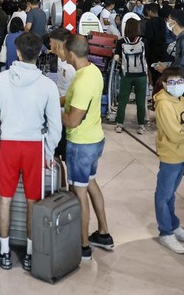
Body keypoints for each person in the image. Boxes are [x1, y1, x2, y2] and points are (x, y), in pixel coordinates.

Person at [0, 32, 62, 271]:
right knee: (32, 201)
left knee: (4, 199)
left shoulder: (0, 79)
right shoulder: (48, 85)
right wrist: (48, 152)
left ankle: (5, 252)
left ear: (17, 52)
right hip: (34, 147)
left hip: (7, 143)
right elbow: (55, 125)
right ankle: (29, 253)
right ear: (39, 54)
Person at [60, 33, 114, 261]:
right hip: (95, 138)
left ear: (71, 53)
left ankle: (83, 246)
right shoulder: (92, 71)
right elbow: (73, 101)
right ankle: (103, 233)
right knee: (90, 183)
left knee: (78, 192)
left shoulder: (82, 81)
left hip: (81, 144)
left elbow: (72, 120)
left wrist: (54, 113)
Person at [152, 66, 184, 254]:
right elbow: (174, 133)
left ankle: (173, 224)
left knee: (171, 194)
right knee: (163, 195)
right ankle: (165, 231)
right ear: (164, 84)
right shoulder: (163, 104)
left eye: (180, 82)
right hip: (170, 154)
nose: (176, 86)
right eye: (172, 82)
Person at [114, 18, 149, 134]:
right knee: (140, 100)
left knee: (123, 99)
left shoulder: (121, 42)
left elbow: (116, 58)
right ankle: (141, 125)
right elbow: (147, 57)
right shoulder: (143, 41)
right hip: (141, 75)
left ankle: (119, 124)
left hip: (127, 74)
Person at [155, 10, 184, 100]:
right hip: (181, 83)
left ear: (174, 22)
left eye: (168, 20)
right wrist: (169, 65)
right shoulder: (180, 39)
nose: (167, 22)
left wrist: (166, 70)